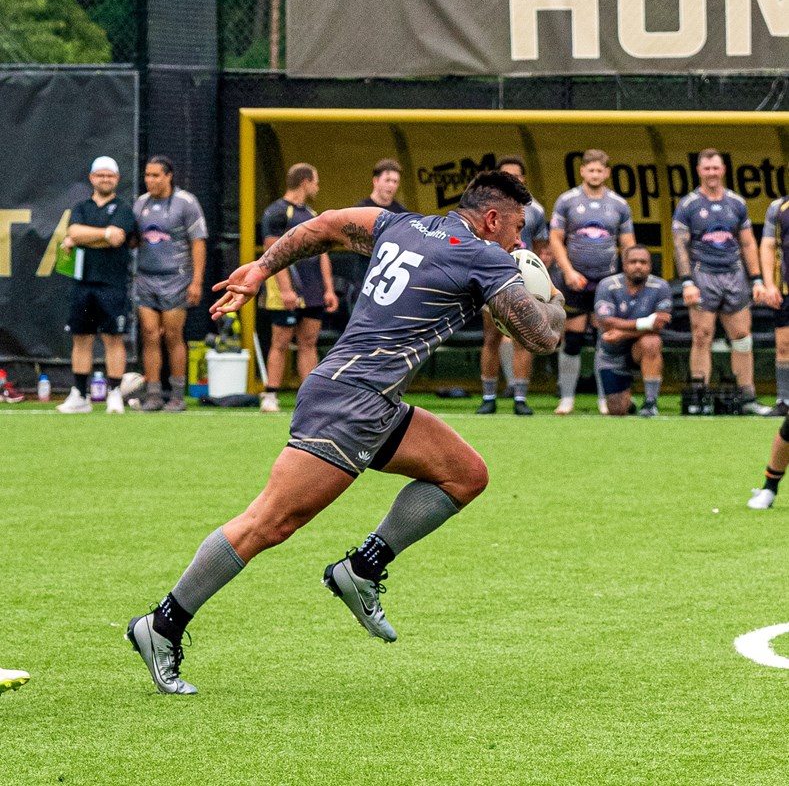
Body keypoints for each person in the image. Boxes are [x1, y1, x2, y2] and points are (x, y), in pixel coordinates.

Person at [126, 170, 565, 694]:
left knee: (465, 475)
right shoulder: (486, 255)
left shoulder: (400, 225)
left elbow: (329, 224)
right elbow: (542, 338)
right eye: (517, 227)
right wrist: (550, 293)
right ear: (492, 219)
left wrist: (262, 269)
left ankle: (360, 569)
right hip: (349, 404)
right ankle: (162, 624)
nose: (519, 241)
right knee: (269, 522)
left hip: (372, 400)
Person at [672, 148, 770, 416]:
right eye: (707, 168)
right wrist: (687, 282)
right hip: (703, 276)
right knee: (701, 336)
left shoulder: (737, 202)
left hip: (734, 276)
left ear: (724, 169)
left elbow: (748, 242)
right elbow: (680, 246)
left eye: (716, 168)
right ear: (699, 171)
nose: (712, 173)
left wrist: (758, 279)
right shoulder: (688, 204)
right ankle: (699, 399)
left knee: (742, 338)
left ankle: (747, 398)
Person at [550, 149, 636, 415]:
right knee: (572, 340)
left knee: (606, 341)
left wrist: (622, 278)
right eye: (591, 170)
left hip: (606, 283)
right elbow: (555, 238)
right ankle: (566, 398)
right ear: (582, 171)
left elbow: (628, 245)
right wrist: (568, 271)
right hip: (574, 281)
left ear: (607, 173)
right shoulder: (567, 201)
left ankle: (605, 398)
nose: (595, 174)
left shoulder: (619, 204)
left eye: (600, 170)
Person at [56, 157, 137, 415]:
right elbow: (76, 231)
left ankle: (114, 393)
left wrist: (82, 238)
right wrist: (102, 234)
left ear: (117, 179)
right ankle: (80, 394)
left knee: (113, 339)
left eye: (110, 176)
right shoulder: (81, 207)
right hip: (83, 283)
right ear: (92, 178)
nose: (105, 179)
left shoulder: (123, 208)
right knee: (81, 339)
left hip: (113, 284)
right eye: (100, 175)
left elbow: (117, 238)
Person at [258, 163, 339, 413]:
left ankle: (310, 397)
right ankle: (270, 394)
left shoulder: (313, 213)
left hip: (312, 289)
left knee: (308, 342)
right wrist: (286, 290)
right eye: (315, 181)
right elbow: (273, 253)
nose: (317, 186)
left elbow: (322, 253)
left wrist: (328, 288)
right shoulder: (277, 212)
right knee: (280, 341)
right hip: (286, 290)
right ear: (305, 182)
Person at [134, 156, 208, 413]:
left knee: (173, 335)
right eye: (147, 175)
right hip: (145, 278)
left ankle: (177, 395)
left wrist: (196, 281)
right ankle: (153, 394)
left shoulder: (186, 203)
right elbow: (135, 240)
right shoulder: (141, 204)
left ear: (168, 176)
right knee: (149, 334)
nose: (150, 180)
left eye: (155, 175)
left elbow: (198, 242)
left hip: (176, 278)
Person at [476, 155, 548, 416]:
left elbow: (541, 249)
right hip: (490, 278)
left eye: (516, 176)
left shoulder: (535, 210)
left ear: (524, 178)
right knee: (492, 337)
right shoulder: (485, 208)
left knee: (522, 338)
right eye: (506, 175)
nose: (512, 180)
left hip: (522, 282)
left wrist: (540, 284)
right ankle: (489, 397)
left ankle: (520, 398)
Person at [594, 244, 672, 416]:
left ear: (650, 266)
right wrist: (647, 323)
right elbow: (605, 322)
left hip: (639, 347)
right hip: (611, 353)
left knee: (652, 342)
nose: (638, 266)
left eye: (643, 262)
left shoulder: (661, 287)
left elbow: (659, 325)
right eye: (633, 262)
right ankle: (629, 401)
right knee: (617, 410)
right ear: (624, 265)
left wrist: (623, 333)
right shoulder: (607, 285)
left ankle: (650, 402)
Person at [758, 188, 789, 416]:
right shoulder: (778, 208)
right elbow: (768, 246)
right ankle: (785, 401)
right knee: (784, 346)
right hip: (785, 290)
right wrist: (769, 285)